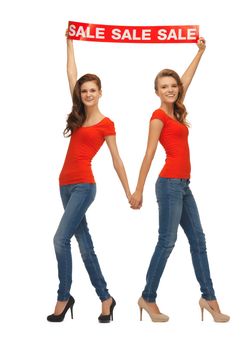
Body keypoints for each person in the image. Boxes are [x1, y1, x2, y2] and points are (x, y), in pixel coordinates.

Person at [129, 38, 230, 323]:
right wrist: (138, 190)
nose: (171, 89)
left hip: (183, 185)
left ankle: (209, 298)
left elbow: (186, 78)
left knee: (198, 240)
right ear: (156, 92)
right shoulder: (158, 117)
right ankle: (148, 297)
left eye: (173, 86)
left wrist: (200, 51)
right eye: (164, 87)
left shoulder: (177, 109)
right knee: (167, 241)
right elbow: (149, 154)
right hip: (169, 184)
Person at [47, 35, 131, 323]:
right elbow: (71, 73)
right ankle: (106, 298)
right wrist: (69, 43)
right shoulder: (78, 114)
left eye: (92, 90)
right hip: (64, 184)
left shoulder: (107, 124)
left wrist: (129, 191)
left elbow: (116, 159)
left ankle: (63, 296)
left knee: (60, 239)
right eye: (84, 90)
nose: (88, 94)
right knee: (84, 245)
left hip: (84, 185)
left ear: (101, 92)